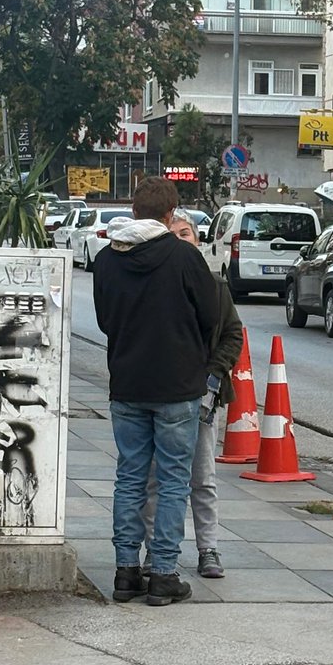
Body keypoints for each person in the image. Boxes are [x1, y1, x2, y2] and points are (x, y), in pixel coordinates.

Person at [93, 177, 220, 607]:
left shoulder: (106, 260)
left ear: (132, 211)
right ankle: (164, 573)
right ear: (171, 215)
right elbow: (211, 316)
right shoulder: (184, 256)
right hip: (178, 387)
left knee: (129, 477)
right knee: (172, 481)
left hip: (127, 384)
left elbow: (105, 321)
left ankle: (126, 573)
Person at [141, 209, 243, 579]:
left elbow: (233, 333)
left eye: (187, 234)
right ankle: (155, 552)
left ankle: (208, 549)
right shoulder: (157, 285)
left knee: (202, 477)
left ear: (197, 241)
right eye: (174, 234)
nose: (181, 240)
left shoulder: (215, 286)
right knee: (156, 479)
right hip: (164, 394)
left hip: (202, 397)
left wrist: (213, 378)